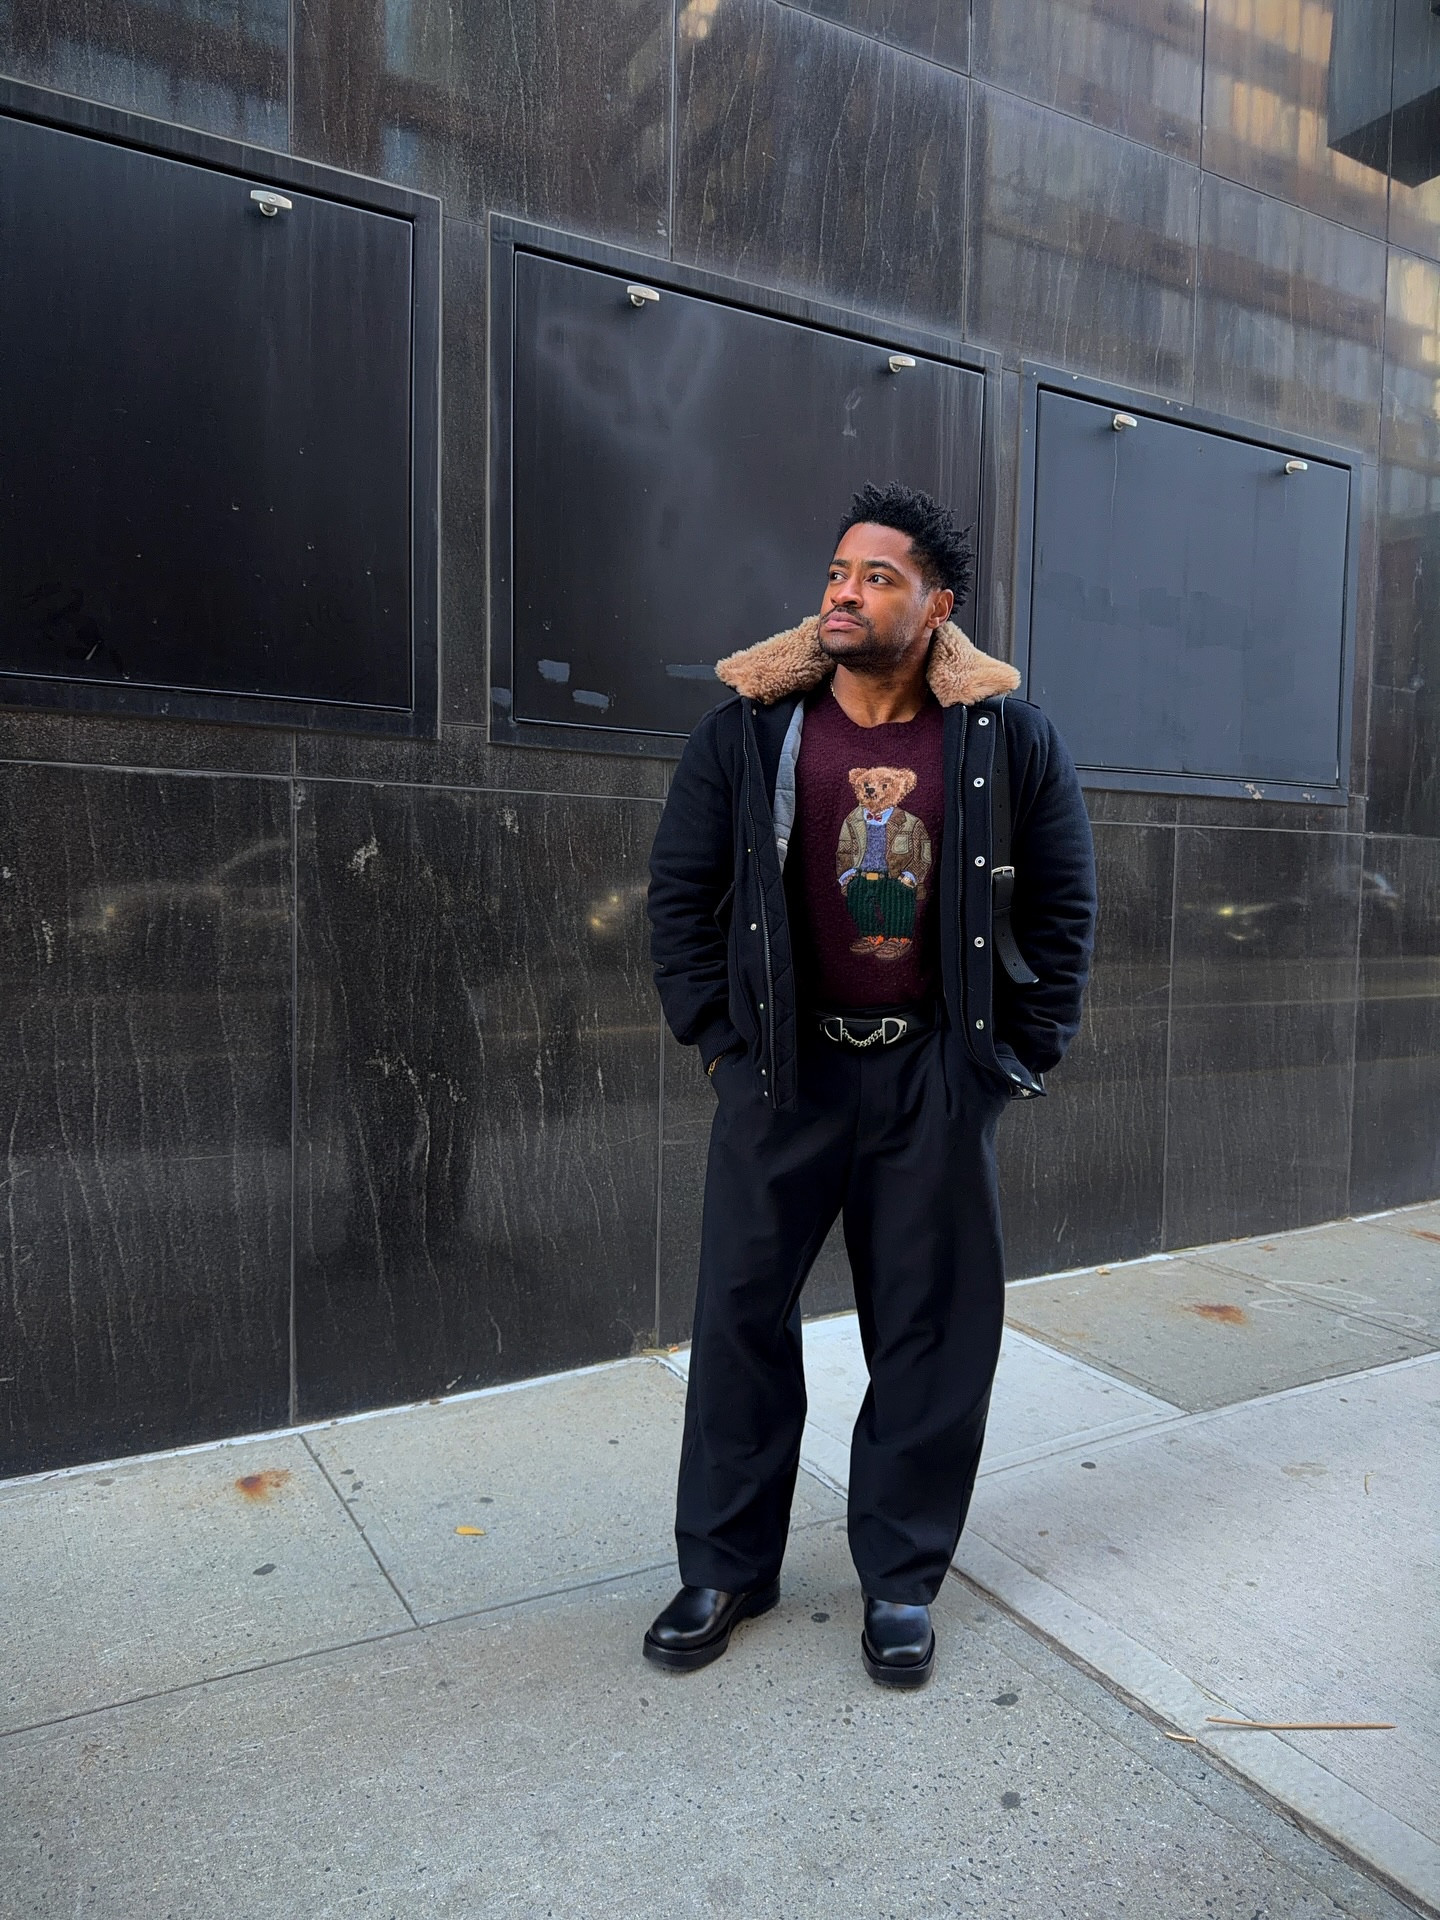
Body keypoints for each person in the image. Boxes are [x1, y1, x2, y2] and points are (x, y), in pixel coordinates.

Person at [644, 482, 1096, 1687]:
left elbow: (1063, 907)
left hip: (933, 1081)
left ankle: (900, 1578)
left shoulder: (1007, 739)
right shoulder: (749, 730)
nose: (844, 591)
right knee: (740, 1323)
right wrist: (721, 1046)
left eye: (878, 576)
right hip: (783, 1077)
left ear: (938, 606)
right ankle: (727, 1564)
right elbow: (681, 900)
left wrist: (1011, 1059)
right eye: (839, 571)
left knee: (932, 1335)